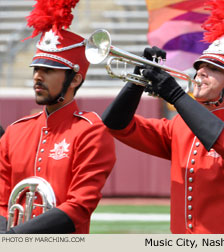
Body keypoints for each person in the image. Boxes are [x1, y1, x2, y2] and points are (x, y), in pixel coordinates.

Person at [102, 0, 224, 234]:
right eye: (201, 66)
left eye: (214, 69)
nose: (201, 72)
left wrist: (175, 93)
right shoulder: (180, 125)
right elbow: (115, 124)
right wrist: (136, 81)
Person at [0, 0, 116, 234]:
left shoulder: (91, 131)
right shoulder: (14, 132)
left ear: (74, 79)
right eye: (36, 69)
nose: (37, 77)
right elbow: (2, 201)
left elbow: (80, 206)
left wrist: (15, 236)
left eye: (48, 70)